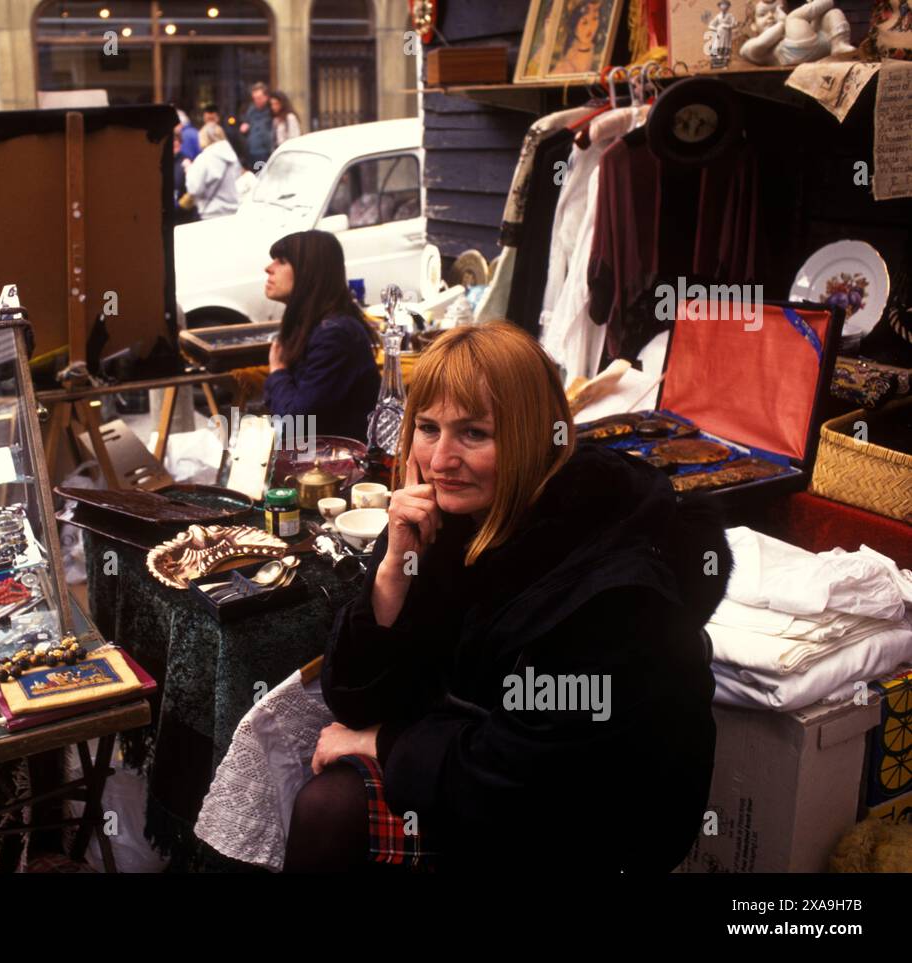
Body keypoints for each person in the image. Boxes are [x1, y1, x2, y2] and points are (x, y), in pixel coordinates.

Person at [278, 322, 726, 872]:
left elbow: (521, 776)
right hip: (487, 768)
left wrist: (383, 744)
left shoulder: (609, 588)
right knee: (328, 800)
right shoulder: (451, 519)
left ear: (536, 436)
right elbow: (353, 698)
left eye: (473, 434)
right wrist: (393, 572)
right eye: (427, 428)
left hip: (588, 823)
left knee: (335, 808)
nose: (441, 459)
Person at [262, 230, 380, 442]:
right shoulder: (314, 326)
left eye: (281, 261)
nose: (268, 268)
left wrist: (277, 372)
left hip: (342, 464)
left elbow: (296, 425)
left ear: (308, 271)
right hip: (319, 455)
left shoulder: (335, 335)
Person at [185, 122, 242, 219]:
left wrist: (188, 170)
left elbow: (194, 189)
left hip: (211, 214)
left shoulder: (204, 158)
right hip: (233, 213)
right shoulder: (233, 157)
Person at [550, 0, 605, 75]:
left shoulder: (599, 51)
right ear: (574, 24)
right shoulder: (567, 63)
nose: (590, 27)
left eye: (595, 18)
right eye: (584, 22)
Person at [239, 82, 274, 170]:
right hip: (251, 153)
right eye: (254, 98)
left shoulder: (272, 111)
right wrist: (244, 129)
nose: (256, 101)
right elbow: (246, 125)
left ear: (266, 97)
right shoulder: (251, 110)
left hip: (266, 153)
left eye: (259, 98)